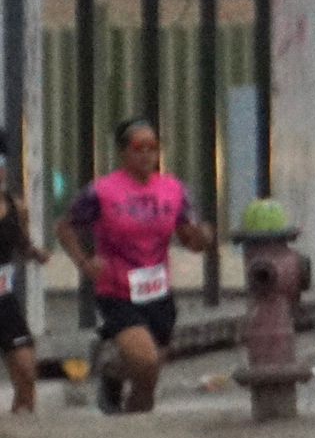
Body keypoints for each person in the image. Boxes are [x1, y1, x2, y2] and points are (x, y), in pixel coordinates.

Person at [56, 119, 213, 415]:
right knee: (146, 361)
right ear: (123, 152)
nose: (147, 155)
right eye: (139, 147)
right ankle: (121, 383)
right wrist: (85, 263)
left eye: (153, 147)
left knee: (149, 377)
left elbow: (190, 239)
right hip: (117, 289)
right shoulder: (102, 191)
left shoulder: (174, 190)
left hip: (158, 291)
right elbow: (65, 227)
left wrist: (203, 237)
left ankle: (126, 404)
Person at [0, 141, 49, 413]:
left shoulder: (15, 206)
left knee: (27, 371)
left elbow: (22, 243)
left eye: (0, 166)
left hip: (4, 301)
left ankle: (23, 429)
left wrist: (35, 253)